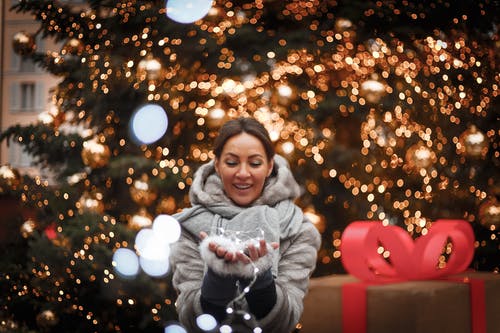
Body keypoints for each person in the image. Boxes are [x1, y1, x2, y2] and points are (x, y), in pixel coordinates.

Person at [170, 117, 321, 332]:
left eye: (255, 163)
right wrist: (218, 278)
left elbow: (285, 321)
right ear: (217, 165)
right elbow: (191, 319)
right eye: (231, 162)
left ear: (269, 166)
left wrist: (261, 281)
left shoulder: (298, 230)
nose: (242, 173)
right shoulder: (188, 227)